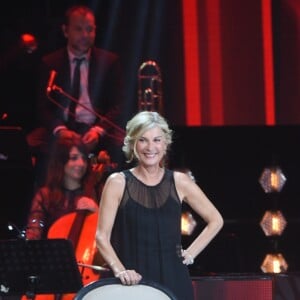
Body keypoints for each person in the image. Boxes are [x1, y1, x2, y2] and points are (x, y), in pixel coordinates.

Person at [95, 111, 224, 300]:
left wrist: (191, 253)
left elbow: (216, 220)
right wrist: (121, 271)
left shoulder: (180, 181)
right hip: (133, 282)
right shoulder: (117, 183)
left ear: (165, 144)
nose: (150, 147)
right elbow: (101, 237)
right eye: (143, 140)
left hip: (174, 281)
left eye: (156, 140)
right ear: (132, 144)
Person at [27, 4, 124, 187]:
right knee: (35, 144)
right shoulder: (50, 63)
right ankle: (46, 202)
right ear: (65, 31)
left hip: (97, 129)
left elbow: (118, 106)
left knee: (126, 143)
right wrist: (60, 130)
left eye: (90, 29)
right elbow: (42, 107)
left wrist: (98, 130)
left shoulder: (109, 62)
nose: (85, 35)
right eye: (79, 29)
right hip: (64, 129)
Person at [25, 135, 100, 240]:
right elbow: (34, 230)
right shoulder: (45, 195)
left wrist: (97, 212)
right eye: (74, 158)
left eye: (84, 158)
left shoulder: (95, 191)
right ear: (61, 161)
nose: (81, 163)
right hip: (52, 254)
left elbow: (113, 233)